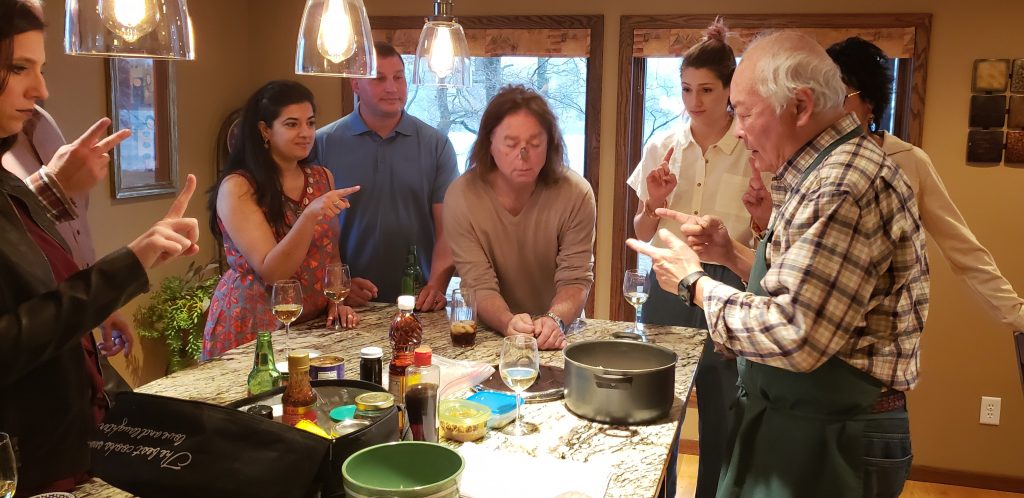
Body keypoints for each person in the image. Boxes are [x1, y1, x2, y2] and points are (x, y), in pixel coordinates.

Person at [628, 31, 929, 497]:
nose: (740, 128)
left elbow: (795, 333)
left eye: (745, 112)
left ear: (801, 106)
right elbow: (804, 287)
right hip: (810, 419)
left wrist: (694, 282)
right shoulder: (827, 169)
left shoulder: (840, 185)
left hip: (833, 433)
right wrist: (728, 253)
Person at [0, 1, 201, 494]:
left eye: (40, 69)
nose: (40, 90)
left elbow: (29, 276)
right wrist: (125, 265)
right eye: (18, 68)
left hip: (65, 446)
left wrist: (95, 306)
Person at [744, 36, 1023, 333]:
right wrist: (764, 222)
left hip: (876, 338)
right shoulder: (801, 162)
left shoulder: (906, 161)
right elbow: (780, 262)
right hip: (805, 329)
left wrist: (1016, 313)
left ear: (871, 103)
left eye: (842, 97)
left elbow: (963, 249)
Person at [624, 20, 762, 498]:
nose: (694, 100)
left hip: (727, 285)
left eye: (706, 89)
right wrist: (651, 202)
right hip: (665, 284)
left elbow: (767, 236)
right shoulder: (663, 145)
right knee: (659, 406)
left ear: (729, 90)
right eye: (686, 89)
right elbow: (641, 231)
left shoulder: (751, 149)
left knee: (724, 410)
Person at [204, 80, 360, 359]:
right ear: (265, 130)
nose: (305, 133)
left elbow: (329, 251)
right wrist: (310, 214)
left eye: (310, 123)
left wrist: (337, 300)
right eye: (291, 124)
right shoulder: (238, 187)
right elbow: (273, 272)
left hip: (311, 328)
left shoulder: (322, 177)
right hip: (255, 327)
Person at [444, 85, 596, 351]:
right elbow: (478, 282)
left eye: (535, 144)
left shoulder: (576, 193)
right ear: (488, 144)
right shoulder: (461, 197)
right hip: (491, 332)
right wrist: (507, 322)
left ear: (550, 145)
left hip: (559, 330)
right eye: (511, 144)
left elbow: (575, 278)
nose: (523, 156)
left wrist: (554, 319)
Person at [311, 41, 457, 311]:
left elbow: (447, 229)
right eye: (379, 78)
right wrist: (336, 285)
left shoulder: (437, 145)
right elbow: (309, 230)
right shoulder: (322, 144)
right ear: (355, 84)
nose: (392, 87)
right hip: (344, 306)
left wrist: (436, 285)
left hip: (418, 302)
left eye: (398, 78)